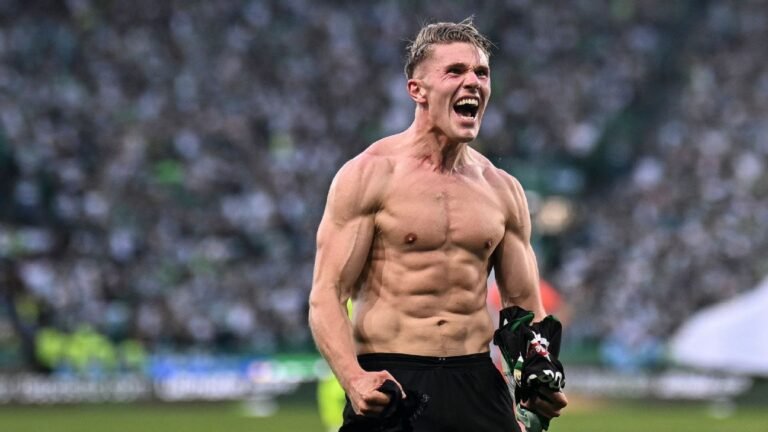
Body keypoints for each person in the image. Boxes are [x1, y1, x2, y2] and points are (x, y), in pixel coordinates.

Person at [308, 18, 568, 432]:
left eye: (481, 73)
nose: (473, 82)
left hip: (478, 383)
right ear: (417, 90)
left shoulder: (503, 189)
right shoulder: (369, 175)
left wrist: (537, 378)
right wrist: (353, 378)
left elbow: (523, 304)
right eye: (455, 71)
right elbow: (327, 295)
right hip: (394, 379)